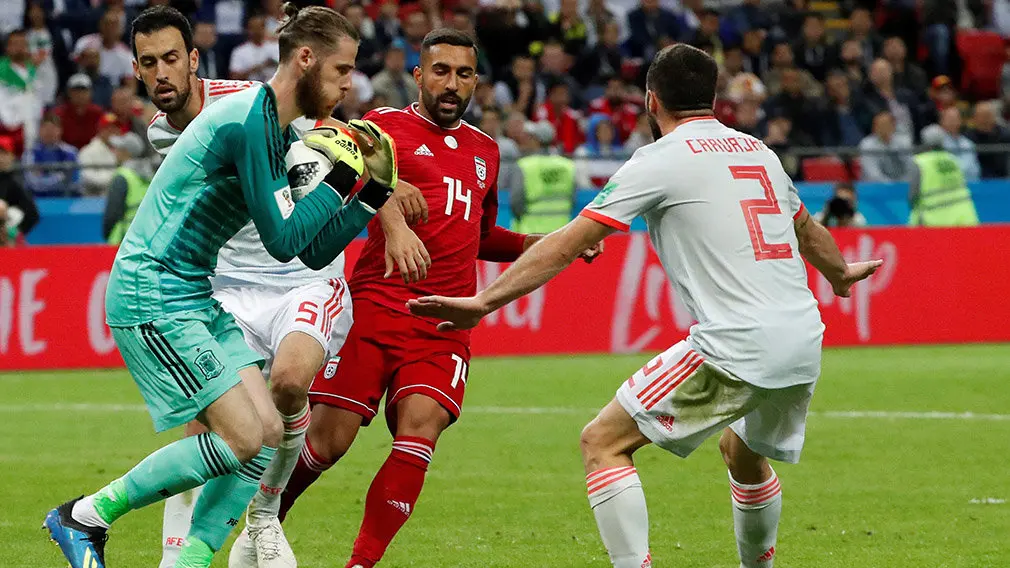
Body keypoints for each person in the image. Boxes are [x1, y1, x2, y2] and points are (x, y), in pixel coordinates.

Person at [406, 43, 882, 568]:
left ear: (652, 102)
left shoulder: (659, 160)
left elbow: (569, 242)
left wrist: (484, 301)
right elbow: (805, 228)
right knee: (742, 453)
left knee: (603, 443)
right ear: (714, 99)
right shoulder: (757, 151)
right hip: (802, 339)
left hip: (736, 344)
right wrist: (839, 275)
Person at [42, 4, 398, 568]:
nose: (348, 83)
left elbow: (307, 250)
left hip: (192, 294)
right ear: (306, 60)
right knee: (236, 437)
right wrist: (344, 181)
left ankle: (191, 561)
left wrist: (371, 199)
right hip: (152, 292)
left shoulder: (270, 123)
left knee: (265, 432)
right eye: (341, 70)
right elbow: (284, 240)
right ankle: (84, 516)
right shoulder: (246, 121)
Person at [273, 29, 601, 568]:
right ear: (420, 75)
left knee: (419, 431)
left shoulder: (486, 150)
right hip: (376, 305)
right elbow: (338, 166)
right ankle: (263, 520)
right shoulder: (383, 126)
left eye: (464, 73)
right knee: (328, 444)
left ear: (476, 81)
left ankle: (361, 563)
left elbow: (482, 233)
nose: (452, 84)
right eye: (442, 71)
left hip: (444, 322)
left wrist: (546, 245)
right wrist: (394, 221)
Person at [909, 127, 979, 227]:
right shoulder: (953, 160)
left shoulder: (920, 162)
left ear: (924, 143)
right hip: (962, 218)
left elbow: (913, 194)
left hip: (933, 220)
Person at [515, 120, 578, 230]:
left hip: (530, 233)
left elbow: (516, 202)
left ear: (537, 140)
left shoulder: (525, 165)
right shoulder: (567, 165)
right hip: (561, 232)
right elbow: (573, 199)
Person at [102, 131, 151, 244]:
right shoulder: (150, 174)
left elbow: (112, 214)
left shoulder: (122, 176)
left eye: (118, 148)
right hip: (145, 237)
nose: (115, 152)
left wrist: (107, 234)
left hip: (122, 239)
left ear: (126, 152)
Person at [22, 113, 80, 196]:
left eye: (53, 128)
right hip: (36, 199)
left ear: (60, 130)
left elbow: (75, 182)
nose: (49, 132)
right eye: (45, 128)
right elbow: (34, 183)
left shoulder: (71, 152)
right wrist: (60, 176)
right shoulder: (30, 153)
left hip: (65, 198)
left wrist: (44, 179)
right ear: (39, 130)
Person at [921, 107, 982, 182]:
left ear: (960, 121)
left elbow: (973, 169)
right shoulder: (937, 143)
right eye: (949, 119)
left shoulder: (968, 143)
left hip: (970, 183)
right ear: (941, 121)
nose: (953, 122)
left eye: (955, 119)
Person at [0, 135, 40, 245]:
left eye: (4, 154)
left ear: (12, 156)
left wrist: (14, 232)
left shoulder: (16, 183)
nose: (0, 158)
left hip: (8, 238)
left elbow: (32, 214)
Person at [859, 110, 913, 182]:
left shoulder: (903, 141)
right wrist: (892, 186)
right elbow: (873, 174)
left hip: (902, 184)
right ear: (874, 128)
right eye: (880, 125)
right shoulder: (866, 145)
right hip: (877, 187)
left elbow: (910, 165)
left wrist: (904, 183)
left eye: (886, 124)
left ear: (893, 126)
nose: (883, 128)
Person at [229, 13, 280, 82]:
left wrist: (275, 64)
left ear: (265, 28)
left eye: (260, 27)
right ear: (248, 30)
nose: (257, 31)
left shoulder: (276, 47)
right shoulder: (240, 51)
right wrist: (258, 68)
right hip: (250, 88)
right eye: (254, 28)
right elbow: (234, 77)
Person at [966, 100, 1010, 179]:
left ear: (994, 117)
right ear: (974, 118)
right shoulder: (967, 138)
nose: (985, 119)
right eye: (982, 116)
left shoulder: (1005, 135)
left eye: (988, 115)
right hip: (978, 179)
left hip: (1003, 178)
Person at [78, 113, 120, 195]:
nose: (113, 132)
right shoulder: (88, 151)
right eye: (109, 129)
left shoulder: (120, 150)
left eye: (115, 129)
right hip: (94, 199)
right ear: (101, 130)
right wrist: (114, 178)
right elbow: (87, 176)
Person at [370, 41, 416, 110]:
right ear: (386, 60)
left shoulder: (412, 81)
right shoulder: (377, 83)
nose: (397, 62)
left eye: (400, 59)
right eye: (394, 59)